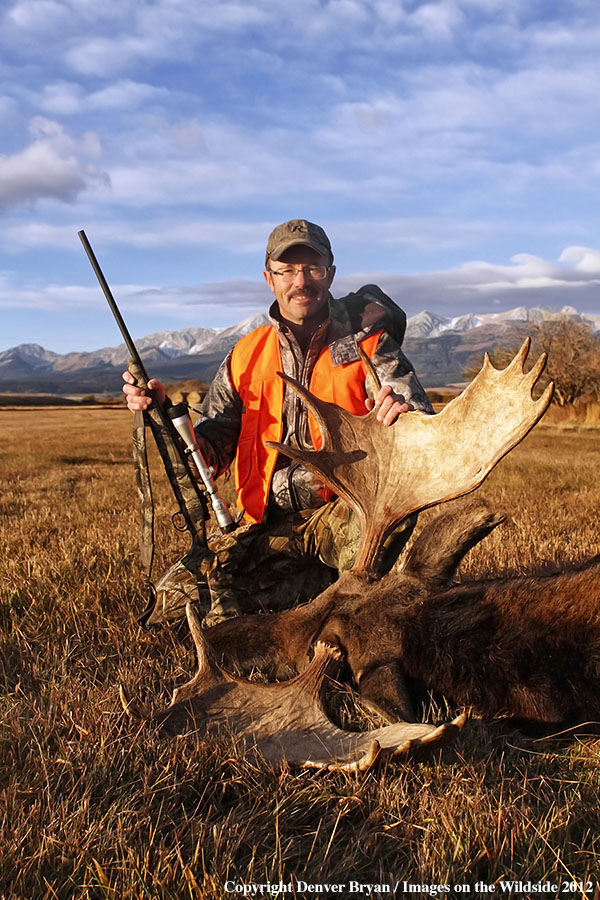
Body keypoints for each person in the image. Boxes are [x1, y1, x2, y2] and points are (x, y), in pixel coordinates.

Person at [123, 219, 432, 626]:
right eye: (287, 270)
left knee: (387, 520)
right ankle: (314, 595)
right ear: (269, 279)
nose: (301, 281)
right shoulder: (245, 355)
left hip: (338, 519)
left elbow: (422, 429)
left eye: (313, 269)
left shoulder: (370, 344)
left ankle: (351, 607)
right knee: (174, 603)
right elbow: (207, 454)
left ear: (331, 275)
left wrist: (404, 418)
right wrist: (163, 416)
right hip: (263, 528)